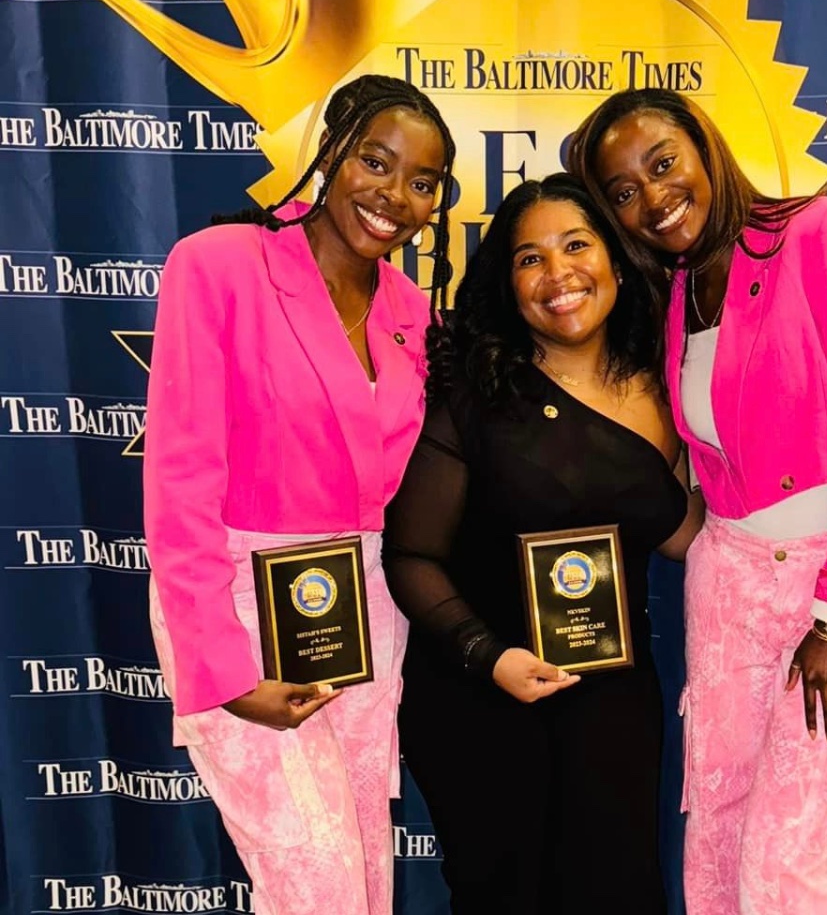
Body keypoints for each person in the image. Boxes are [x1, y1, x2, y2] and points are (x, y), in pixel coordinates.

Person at [567, 88, 827, 914]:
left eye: (662, 164)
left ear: (704, 144)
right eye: (623, 191)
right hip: (729, 583)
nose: (653, 198)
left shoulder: (821, 236)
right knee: (720, 825)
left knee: (797, 847)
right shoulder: (677, 291)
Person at [143, 73, 456, 915]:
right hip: (242, 606)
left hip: (358, 618)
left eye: (423, 182)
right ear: (330, 154)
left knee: (360, 873)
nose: (395, 195)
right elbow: (179, 482)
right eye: (376, 162)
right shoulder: (219, 266)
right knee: (315, 883)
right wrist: (222, 667)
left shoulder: (407, 308)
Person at [381, 174, 703, 915]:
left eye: (576, 245)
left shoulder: (662, 388)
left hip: (612, 694)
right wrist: (488, 656)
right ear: (508, 283)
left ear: (616, 263)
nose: (558, 274)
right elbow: (411, 555)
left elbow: (679, 532)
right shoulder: (475, 391)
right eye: (529, 258)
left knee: (617, 891)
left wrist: (790, 544)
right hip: (483, 696)